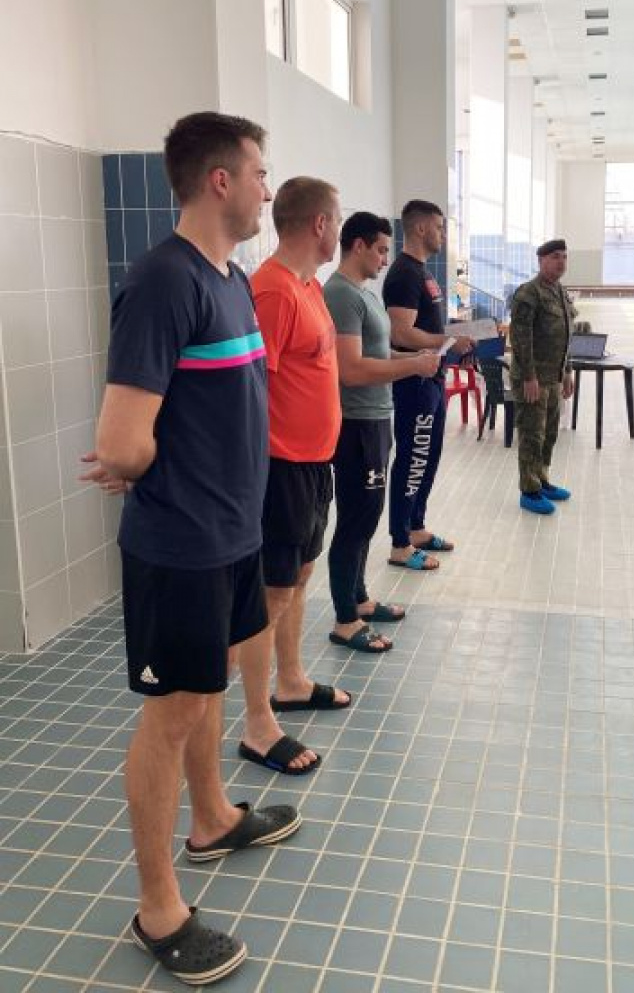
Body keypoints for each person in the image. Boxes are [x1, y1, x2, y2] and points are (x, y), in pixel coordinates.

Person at [80, 112, 300, 986]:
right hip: (181, 543)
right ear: (220, 180)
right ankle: (157, 907)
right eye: (259, 173)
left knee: (211, 685)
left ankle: (211, 818)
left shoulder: (230, 279)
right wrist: (137, 464)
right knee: (173, 712)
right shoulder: (163, 282)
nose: (267, 190)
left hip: (232, 534)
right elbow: (121, 439)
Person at [236, 176, 350, 778]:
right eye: (339, 219)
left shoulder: (308, 285)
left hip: (312, 463)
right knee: (273, 591)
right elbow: (252, 389)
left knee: (300, 576)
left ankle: (291, 681)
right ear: (320, 224)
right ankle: (258, 723)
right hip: (281, 467)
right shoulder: (274, 292)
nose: (340, 229)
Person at [323, 212, 440, 651]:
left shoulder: (364, 294)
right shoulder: (339, 295)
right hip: (356, 423)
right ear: (358, 246)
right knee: (355, 520)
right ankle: (345, 620)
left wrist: (416, 357)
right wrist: (412, 367)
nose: (385, 259)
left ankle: (360, 599)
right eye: (381, 250)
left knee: (369, 515)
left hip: (376, 417)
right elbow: (351, 370)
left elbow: (378, 351)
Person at [382, 199, 473, 570]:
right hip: (414, 380)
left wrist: (455, 336)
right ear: (420, 228)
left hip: (432, 375)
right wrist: (447, 340)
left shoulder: (423, 272)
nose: (443, 234)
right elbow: (401, 333)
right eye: (439, 227)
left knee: (429, 455)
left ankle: (416, 527)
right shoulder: (404, 273)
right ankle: (400, 543)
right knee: (413, 458)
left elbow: (427, 326)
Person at [509, 237, 574, 515]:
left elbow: (565, 336)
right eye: (555, 256)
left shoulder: (560, 292)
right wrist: (528, 376)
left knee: (549, 433)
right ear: (541, 260)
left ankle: (542, 479)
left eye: (564, 256)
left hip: (553, 377)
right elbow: (520, 338)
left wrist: (567, 372)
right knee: (531, 434)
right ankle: (529, 491)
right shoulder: (529, 293)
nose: (561, 262)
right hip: (532, 378)